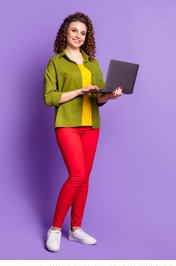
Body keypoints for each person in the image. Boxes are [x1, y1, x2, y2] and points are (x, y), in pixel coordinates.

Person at [43, 12, 123, 252]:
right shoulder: (56, 63)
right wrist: (79, 91)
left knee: (85, 179)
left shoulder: (93, 63)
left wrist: (110, 95)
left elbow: (97, 99)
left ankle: (75, 229)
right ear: (65, 33)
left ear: (87, 37)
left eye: (83, 32)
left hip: (91, 126)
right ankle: (55, 229)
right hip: (67, 124)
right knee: (76, 175)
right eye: (74, 30)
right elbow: (49, 97)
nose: (78, 35)